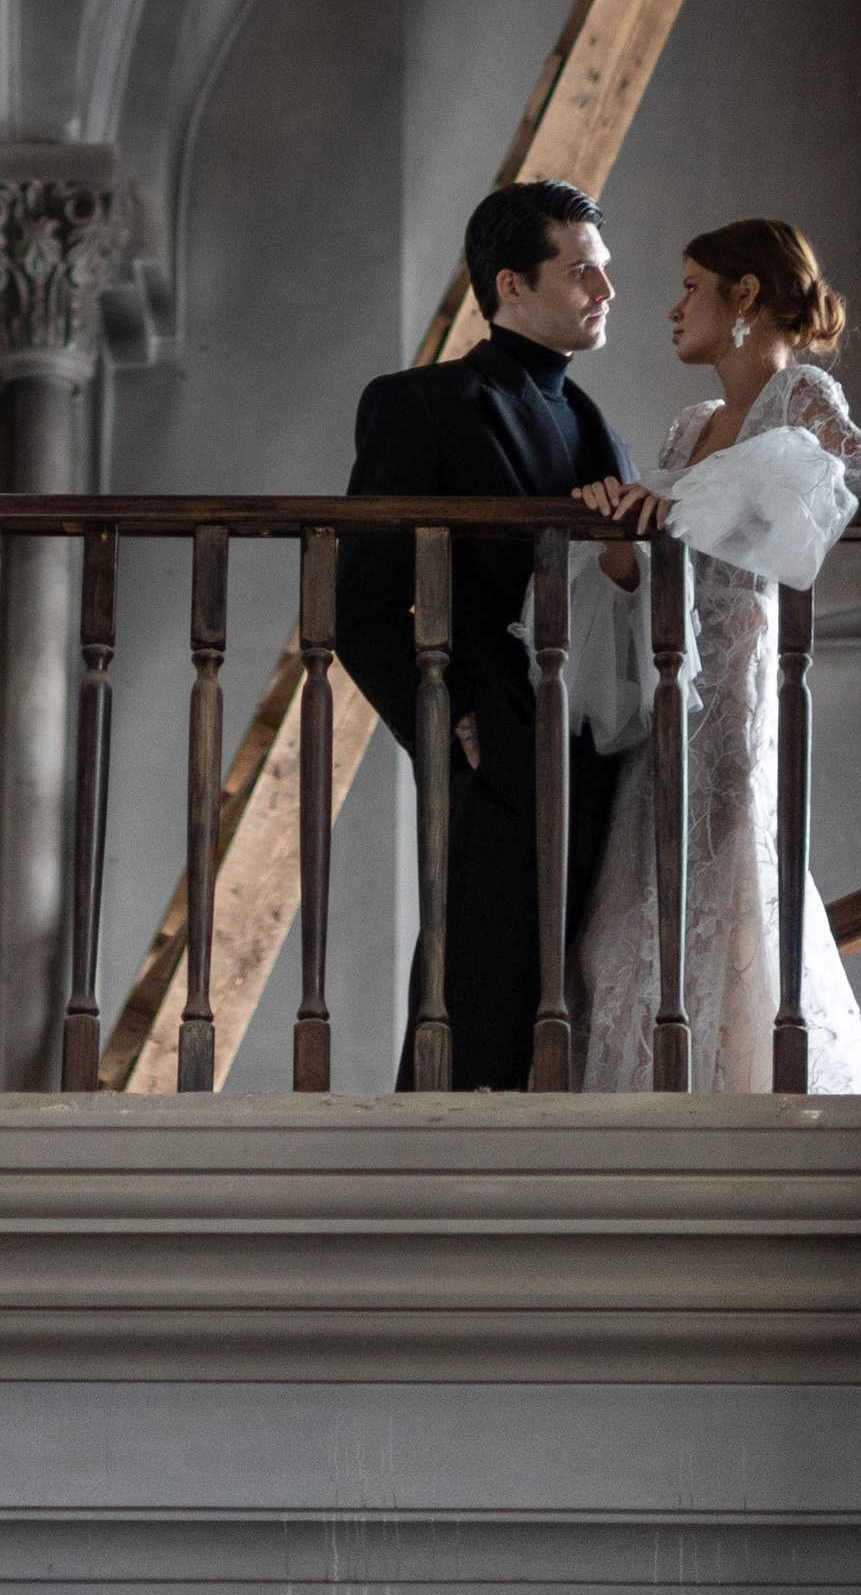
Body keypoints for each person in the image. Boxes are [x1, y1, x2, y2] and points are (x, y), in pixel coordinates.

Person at [569, 218, 861, 1093]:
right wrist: (621, 539)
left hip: (738, 688)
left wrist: (707, 499)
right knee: (632, 915)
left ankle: (737, 1088)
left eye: (691, 286)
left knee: (727, 889)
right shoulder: (688, 426)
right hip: (668, 686)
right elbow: (661, 556)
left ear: (745, 296)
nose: (673, 307)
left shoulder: (799, 400)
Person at [335, 179, 637, 1090]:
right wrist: (453, 722)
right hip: (493, 747)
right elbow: (365, 606)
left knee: (575, 1011)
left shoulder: (594, 424)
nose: (606, 289)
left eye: (606, 270)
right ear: (511, 285)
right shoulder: (419, 403)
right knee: (478, 1000)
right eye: (581, 270)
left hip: (602, 758)